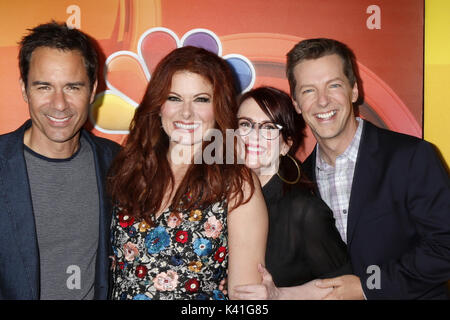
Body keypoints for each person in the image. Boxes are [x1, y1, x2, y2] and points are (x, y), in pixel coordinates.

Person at [286, 38, 450, 299]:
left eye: (334, 85)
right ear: (296, 103)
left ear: (354, 90)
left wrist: (367, 287)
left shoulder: (412, 157)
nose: (323, 101)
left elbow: (444, 246)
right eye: (308, 91)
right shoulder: (296, 182)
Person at [108, 46, 268, 300]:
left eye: (201, 99)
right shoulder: (130, 171)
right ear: (159, 105)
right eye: (174, 98)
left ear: (219, 107)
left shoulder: (237, 185)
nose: (186, 112)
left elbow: (244, 296)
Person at [0, 22, 120, 299]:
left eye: (72, 87)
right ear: (24, 88)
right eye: (44, 87)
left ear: (92, 91)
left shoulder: (117, 163)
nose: (59, 104)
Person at [231, 86, 351, 299]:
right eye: (245, 124)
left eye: (268, 128)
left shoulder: (305, 211)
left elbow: (344, 286)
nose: (254, 136)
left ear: (286, 144)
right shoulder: (219, 199)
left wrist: (279, 295)